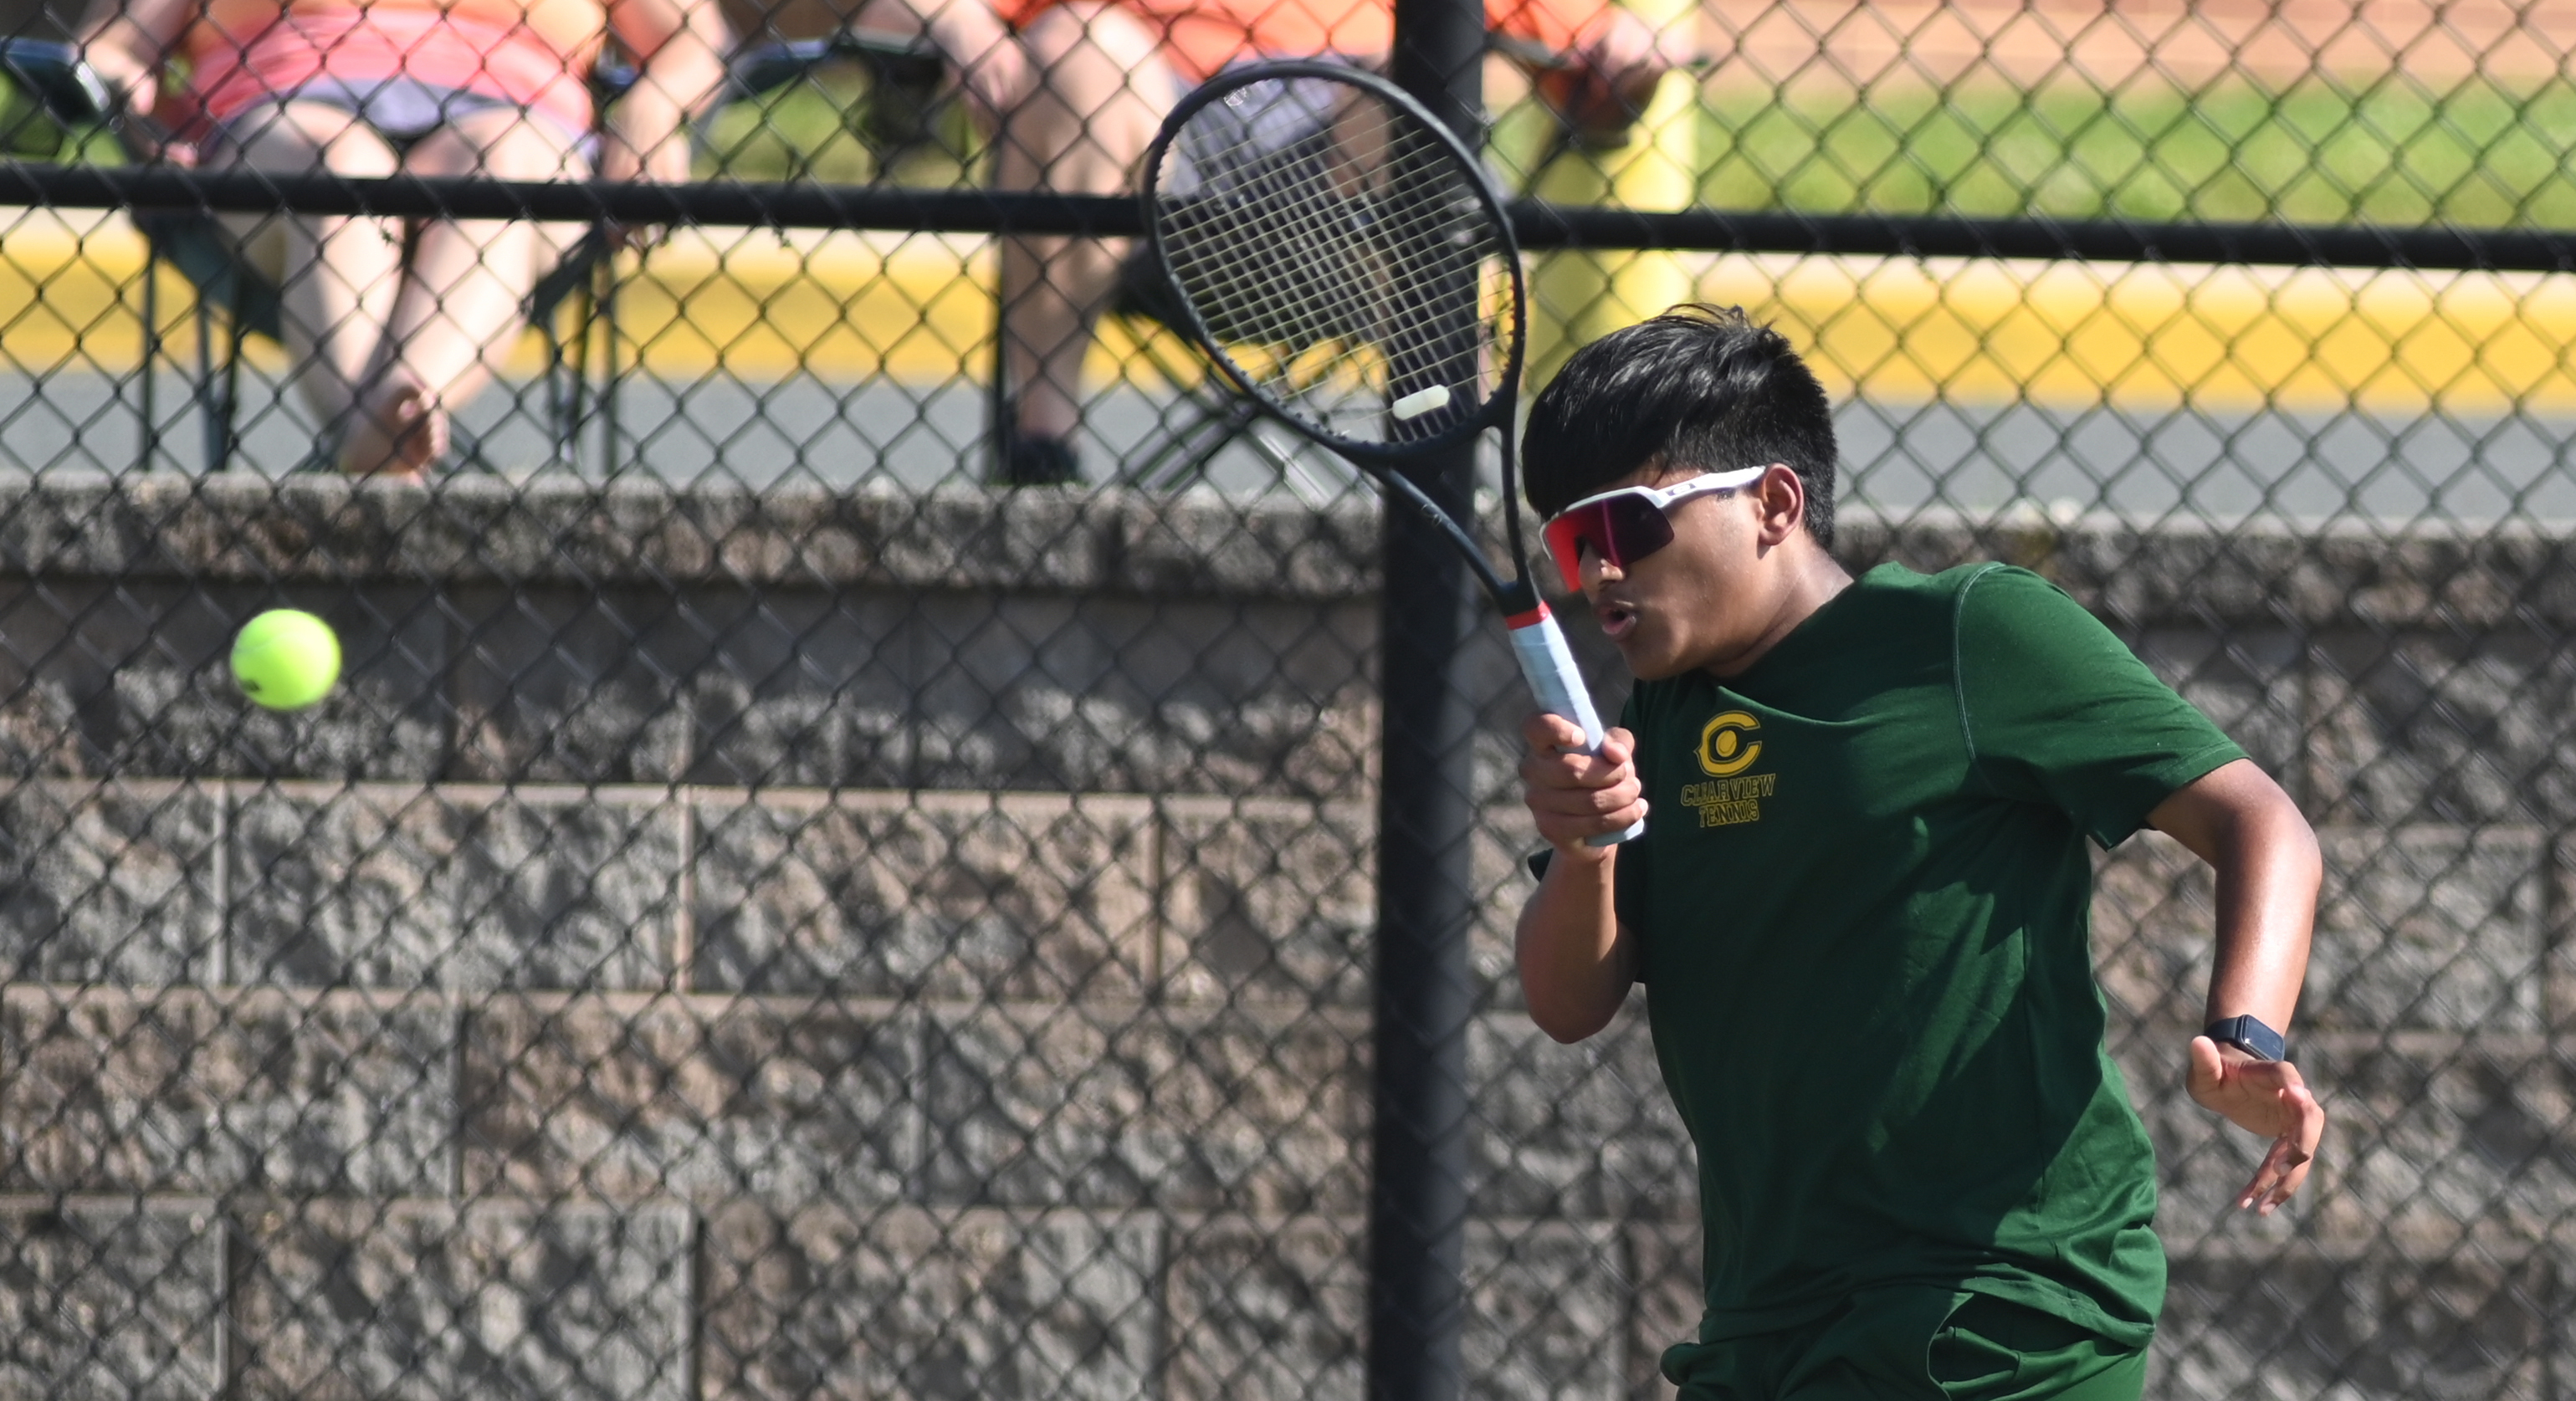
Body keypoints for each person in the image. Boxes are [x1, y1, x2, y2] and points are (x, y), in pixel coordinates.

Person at [1513, 305, 2326, 1401]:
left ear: (1772, 503)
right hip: (1769, 1313)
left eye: (1623, 524)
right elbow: (1568, 1000)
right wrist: (1585, 846)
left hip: (2006, 1300)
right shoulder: (1656, 718)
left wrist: (2243, 1032)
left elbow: (2257, 819)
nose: (1593, 571)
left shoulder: (1970, 634)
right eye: (1569, 542)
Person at [853, 0, 1686, 483]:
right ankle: (1041, 457)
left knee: (1413, 78)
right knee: (1078, 48)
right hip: (1149, 186)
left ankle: (1443, 462)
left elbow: (1599, 58)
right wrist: (952, 16)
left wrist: (1631, 49)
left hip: (1342, 194)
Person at [78, 0, 730, 476]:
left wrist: (652, 107)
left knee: (504, 160)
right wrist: (136, 115)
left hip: (518, 118)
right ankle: (387, 429)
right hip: (287, 115)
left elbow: (695, 40)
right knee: (334, 162)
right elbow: (112, 47)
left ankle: (385, 425)